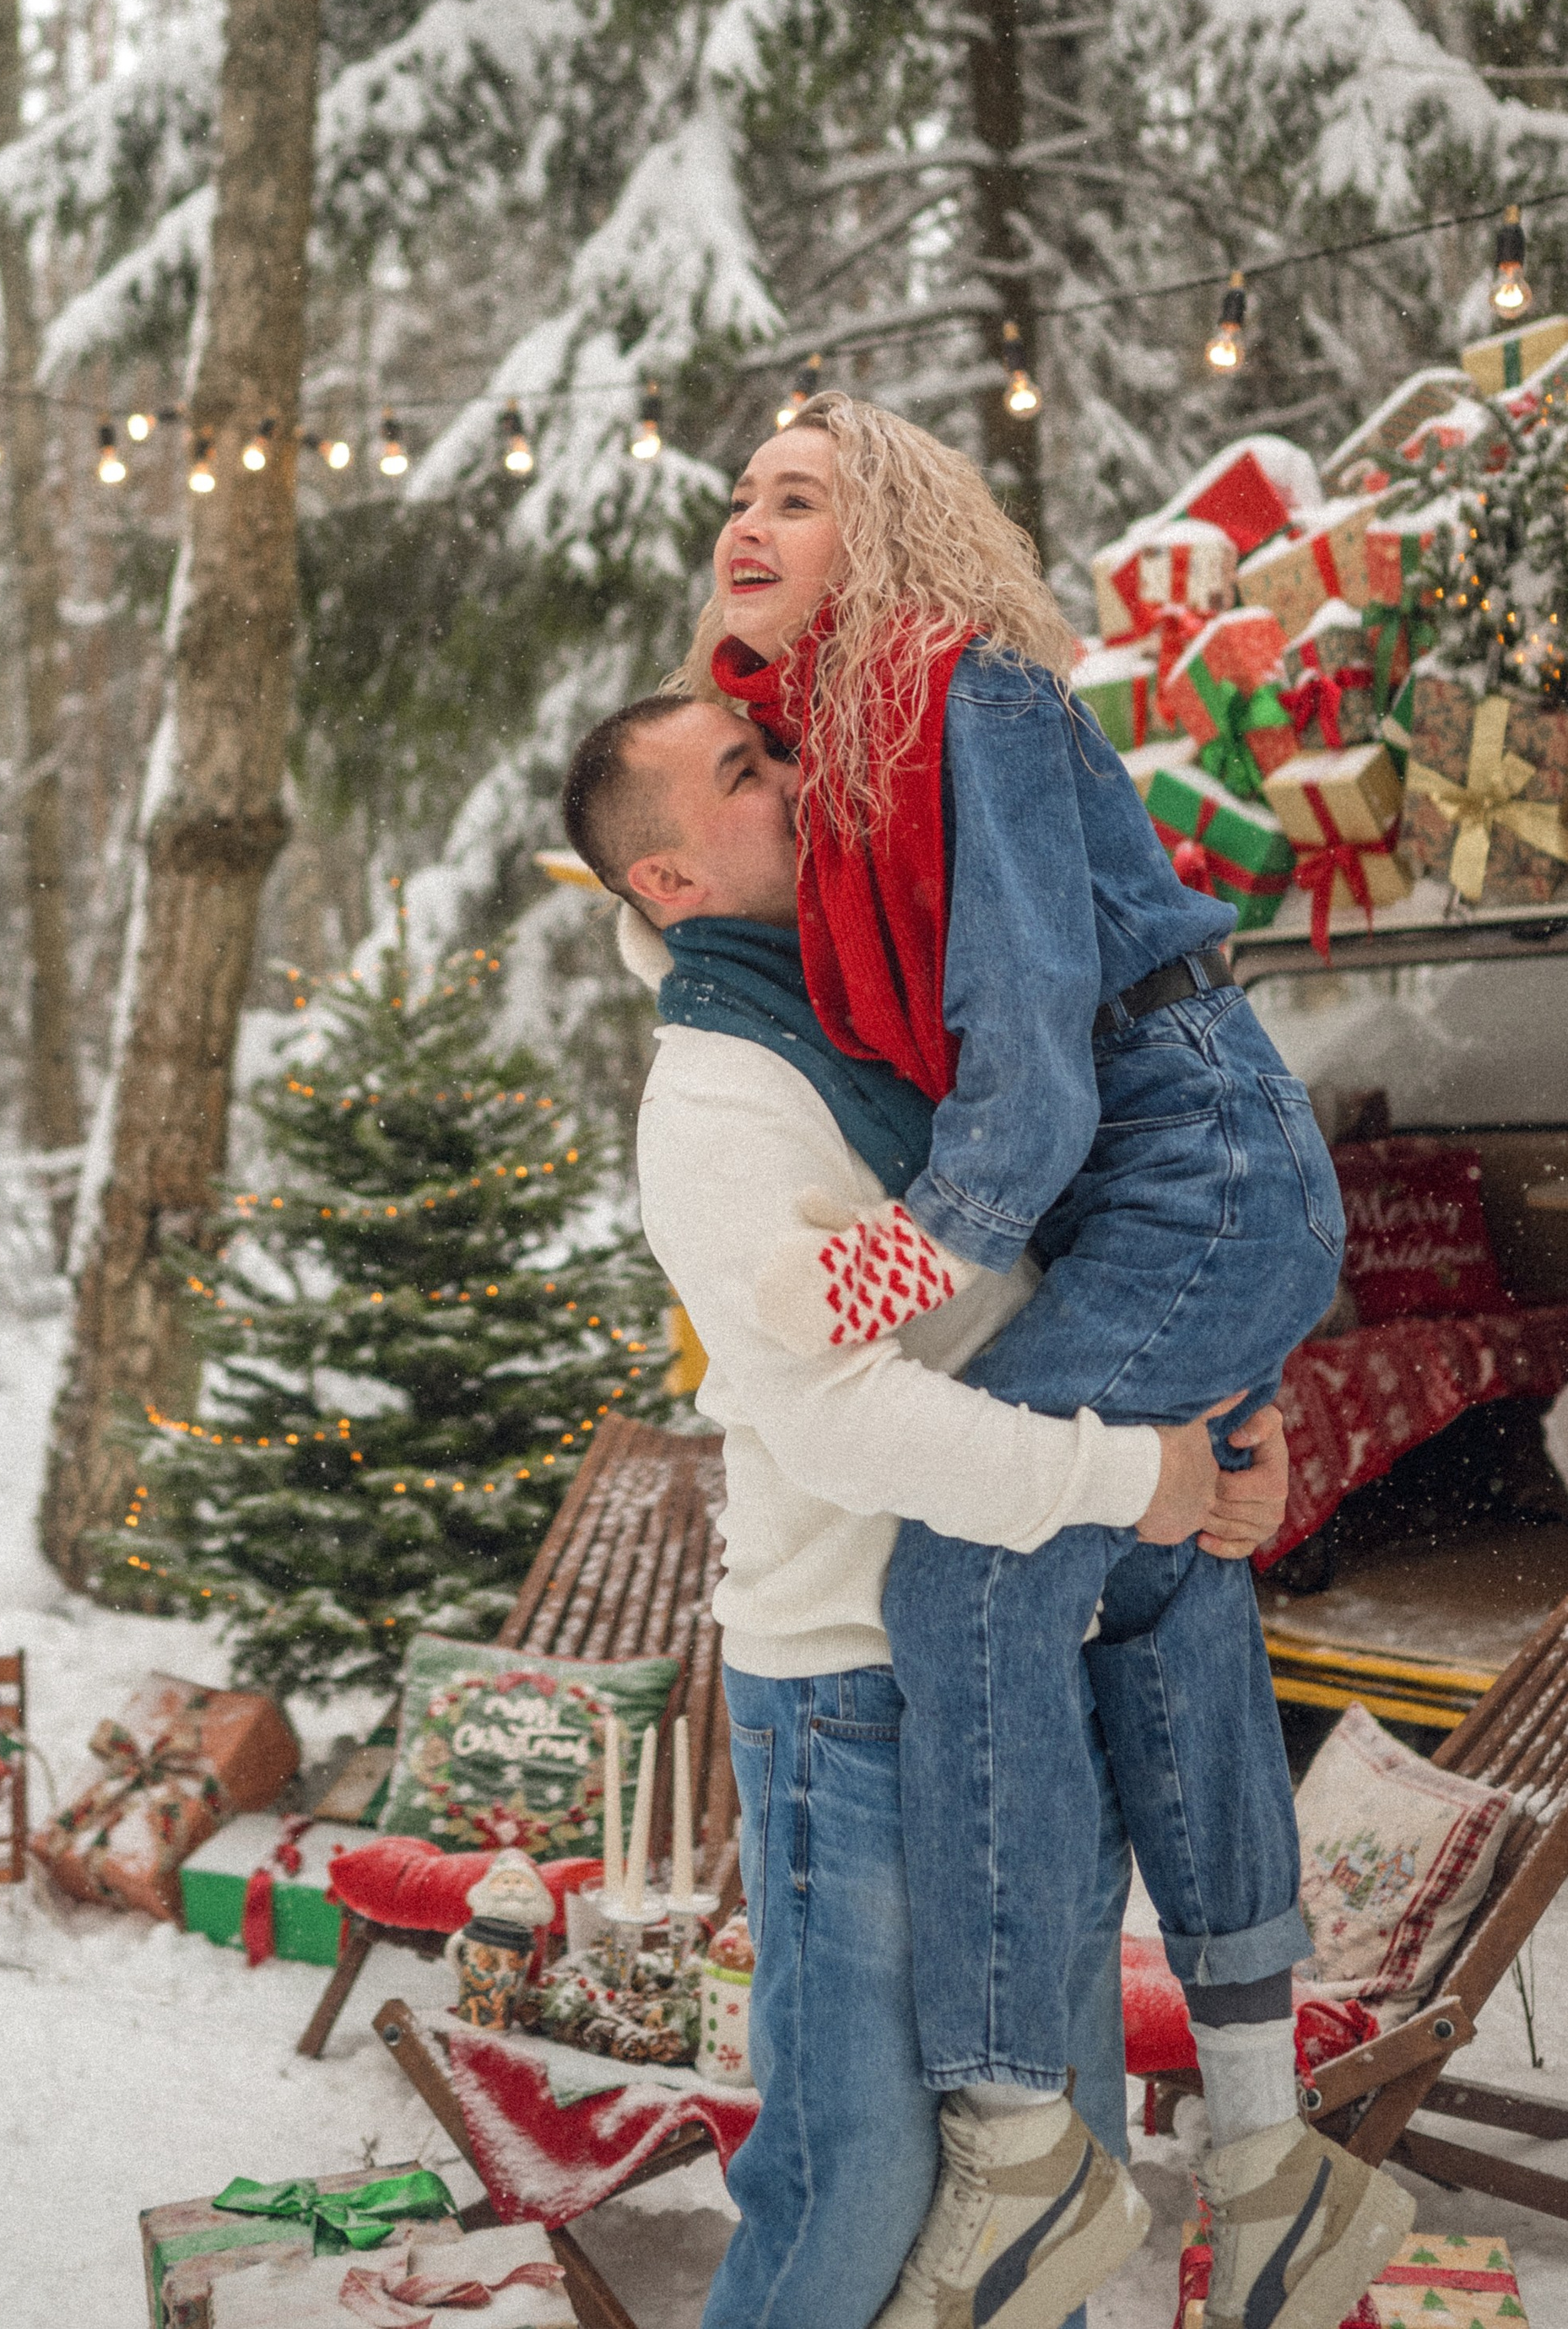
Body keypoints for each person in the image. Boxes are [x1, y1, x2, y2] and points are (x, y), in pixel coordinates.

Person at [653, 392, 1408, 2329]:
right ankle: (1256, 2146)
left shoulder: (952, 689)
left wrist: (894, 1264)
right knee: (1155, 1577)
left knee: (969, 1560)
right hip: (1168, 1189)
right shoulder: (846, 769)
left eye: (798, 494)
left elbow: (1035, 1067)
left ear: (883, 528)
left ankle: (1026, 2146)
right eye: (739, 492)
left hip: (1186, 1160)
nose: (750, 515)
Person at [558, 690, 1293, 2329]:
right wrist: (1131, 1473)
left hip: (1019, 1653)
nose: (796, 780)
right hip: (851, 1700)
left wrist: (1235, 1422)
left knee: (1057, 2193)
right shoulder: (715, 1102)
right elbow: (843, 1416)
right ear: (667, 880)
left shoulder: (882, 998)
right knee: (856, 2197)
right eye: (745, 775)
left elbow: (1056, 1268)